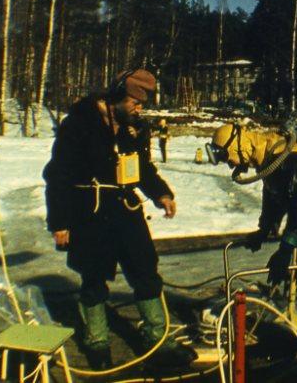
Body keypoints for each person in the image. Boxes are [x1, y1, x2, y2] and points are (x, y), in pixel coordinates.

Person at [43, 68, 195, 369]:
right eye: (135, 102)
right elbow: (57, 176)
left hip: (126, 211)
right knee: (94, 278)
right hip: (89, 213)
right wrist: (60, 222)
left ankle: (158, 338)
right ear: (115, 97)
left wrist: (161, 194)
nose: (140, 108)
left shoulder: (133, 128)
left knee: (146, 272)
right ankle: (97, 341)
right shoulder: (78, 125)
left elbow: (143, 168)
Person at [207, 122, 297, 360]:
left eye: (226, 156)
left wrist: (285, 250)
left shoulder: (283, 157)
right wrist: (263, 230)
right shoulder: (267, 157)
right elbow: (274, 196)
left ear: (237, 146)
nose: (229, 163)